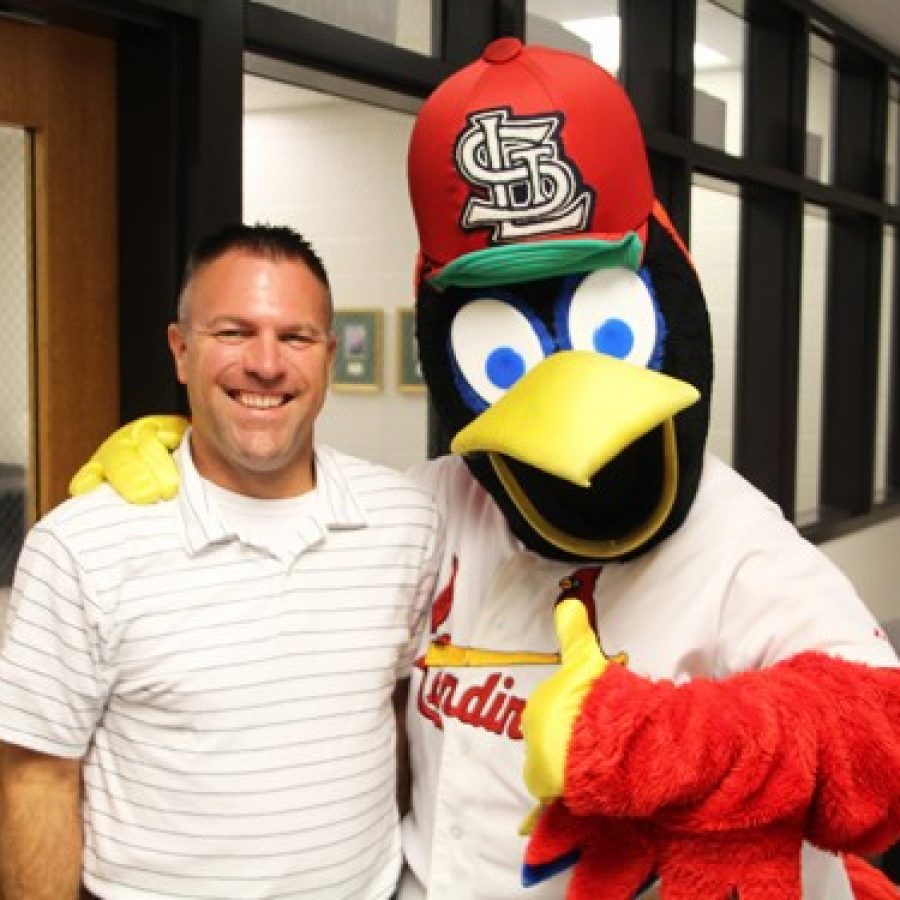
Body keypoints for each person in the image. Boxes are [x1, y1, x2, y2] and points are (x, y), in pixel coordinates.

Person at [61, 40, 900, 900]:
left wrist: (665, 737)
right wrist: (197, 460)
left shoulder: (733, 538)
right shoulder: (427, 506)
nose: (561, 391)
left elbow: (878, 732)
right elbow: (293, 540)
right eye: (501, 344)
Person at [0, 224, 442, 900]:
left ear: (328, 355)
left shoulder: (405, 521)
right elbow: (37, 775)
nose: (266, 364)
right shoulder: (82, 546)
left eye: (295, 338)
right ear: (181, 350)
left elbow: (402, 713)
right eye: (233, 333)